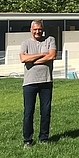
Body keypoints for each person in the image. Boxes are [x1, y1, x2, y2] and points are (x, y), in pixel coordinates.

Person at [19, 20, 57, 149]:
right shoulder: (26, 43)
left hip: (46, 81)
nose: (37, 32)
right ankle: (27, 140)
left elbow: (51, 56)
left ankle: (44, 138)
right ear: (31, 29)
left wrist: (32, 60)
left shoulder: (50, 40)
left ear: (42, 29)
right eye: (35, 29)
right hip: (29, 83)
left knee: (45, 111)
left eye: (39, 29)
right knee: (28, 112)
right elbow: (23, 59)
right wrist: (41, 54)